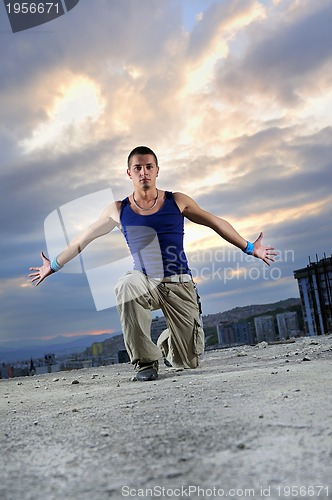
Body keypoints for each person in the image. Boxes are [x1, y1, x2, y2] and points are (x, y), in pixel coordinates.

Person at [29, 146, 276, 381]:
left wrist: (251, 248)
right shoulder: (118, 210)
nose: (143, 172)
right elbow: (81, 241)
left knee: (188, 362)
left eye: (149, 167)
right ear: (129, 173)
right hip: (144, 280)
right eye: (137, 168)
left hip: (179, 283)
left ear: (157, 170)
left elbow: (216, 222)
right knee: (126, 286)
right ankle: (145, 362)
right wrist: (54, 265)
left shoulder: (177, 201)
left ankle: (165, 343)